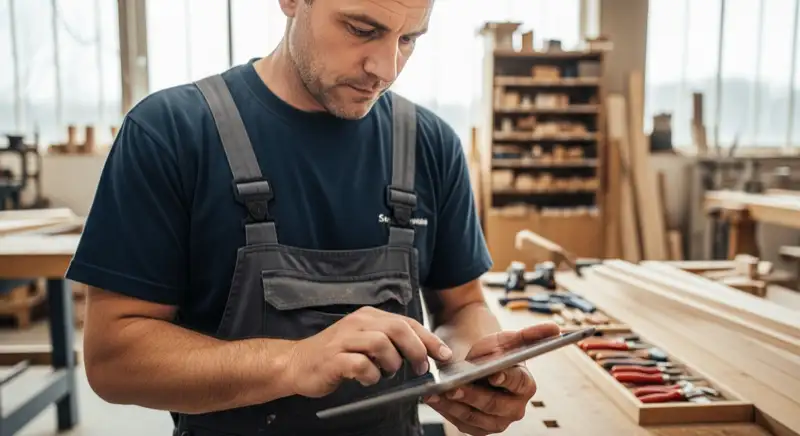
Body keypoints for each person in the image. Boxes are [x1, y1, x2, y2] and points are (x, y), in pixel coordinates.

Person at [67, 0, 560, 435]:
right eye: (362, 29)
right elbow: (114, 360)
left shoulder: (430, 144)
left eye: (408, 38)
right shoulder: (170, 133)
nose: (385, 68)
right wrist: (293, 361)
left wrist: (476, 369)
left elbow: (461, 307)